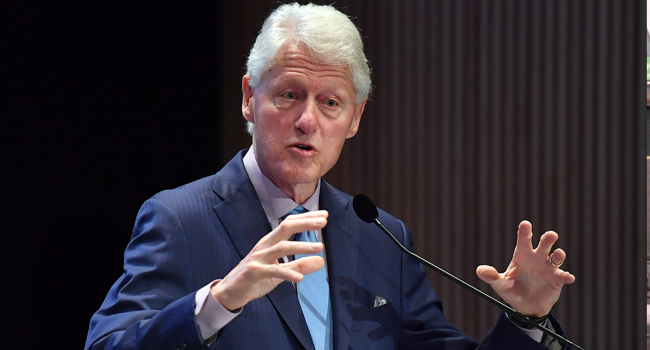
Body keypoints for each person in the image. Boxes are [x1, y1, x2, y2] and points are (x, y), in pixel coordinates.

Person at [85, 3, 576, 350]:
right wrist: (219, 300)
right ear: (247, 98)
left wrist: (526, 320)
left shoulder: (382, 237)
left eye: (330, 103)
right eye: (289, 95)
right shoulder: (180, 219)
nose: (307, 121)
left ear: (355, 118)